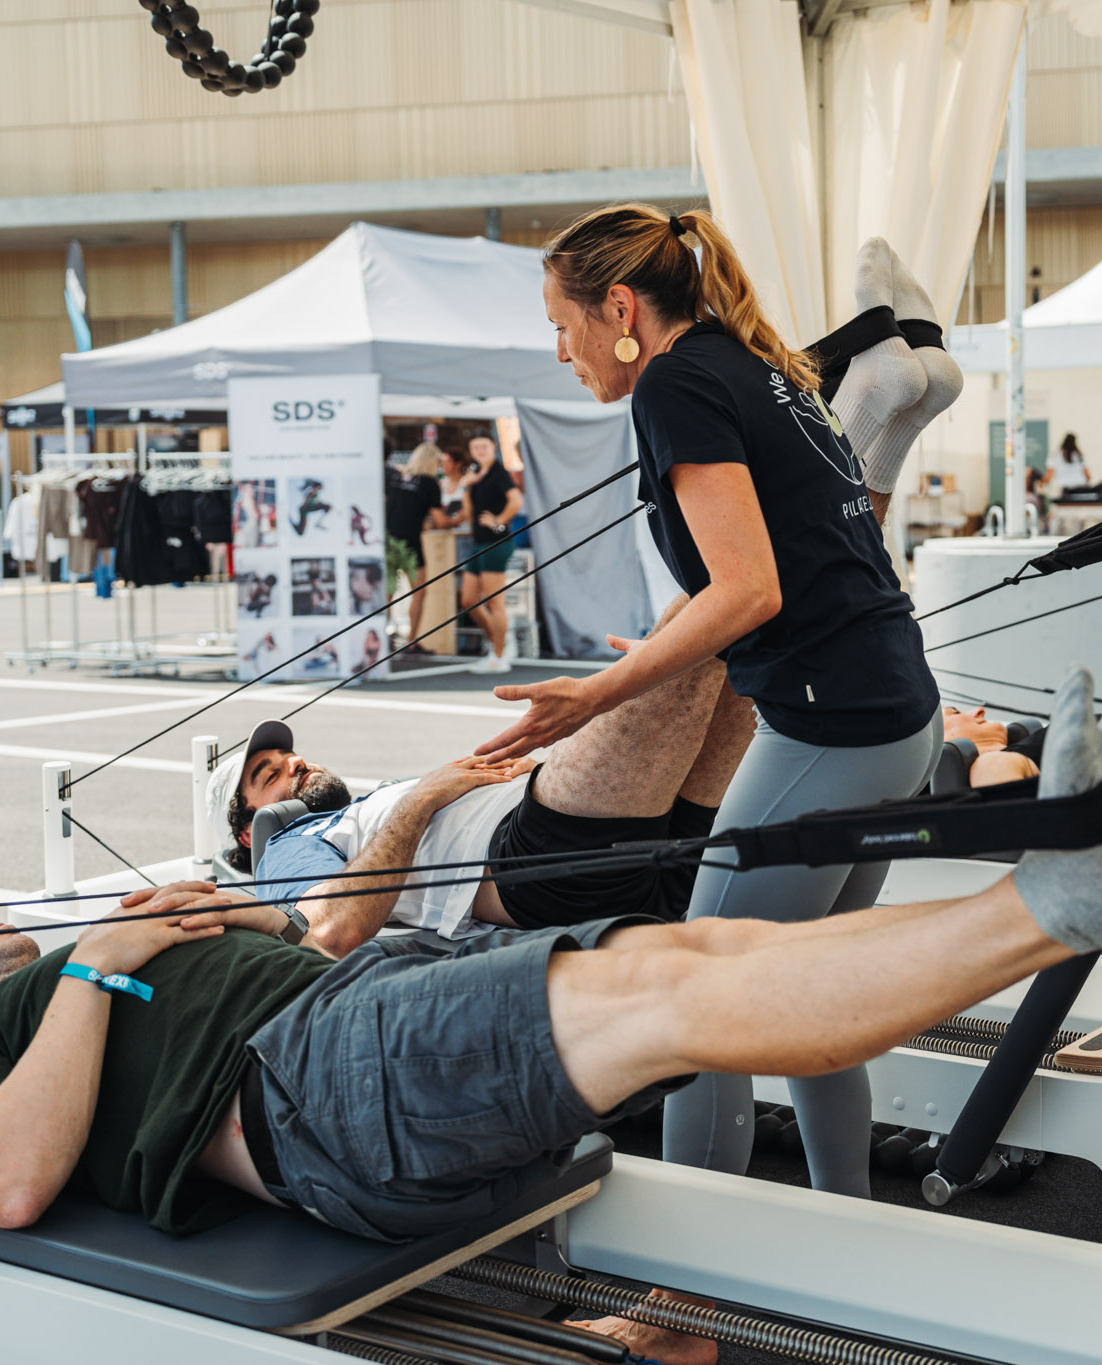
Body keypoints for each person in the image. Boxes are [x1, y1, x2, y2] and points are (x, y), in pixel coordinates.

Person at [0, 668, 1102, 1365]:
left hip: (368, 998)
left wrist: (240, 917)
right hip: (311, 1089)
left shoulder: (101, 955)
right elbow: (5, 1182)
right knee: (668, 990)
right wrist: (95, 966)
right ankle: (1060, 899)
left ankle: (1075, 867)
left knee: (697, 952)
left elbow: (317, 941)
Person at [473, 203, 944, 1199]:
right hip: (895, 712)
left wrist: (593, 696)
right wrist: (652, 654)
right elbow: (792, 555)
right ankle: (848, 1218)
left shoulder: (675, 385)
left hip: (832, 729)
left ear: (618, 310)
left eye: (561, 326)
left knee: (700, 994)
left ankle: (690, 1271)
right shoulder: (741, 358)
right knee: (810, 991)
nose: (560, 352)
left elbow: (748, 591)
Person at [211, 597, 755, 943]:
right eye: (269, 775)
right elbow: (329, 931)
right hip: (539, 861)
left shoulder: (363, 810)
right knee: (706, 607)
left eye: (289, 756)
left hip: (575, 828)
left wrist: (533, 771)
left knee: (731, 643)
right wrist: (421, 799)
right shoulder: (287, 845)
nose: (295, 762)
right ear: (248, 830)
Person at [458, 434, 522, 674]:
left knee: (495, 601)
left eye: (483, 446)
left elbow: (516, 500)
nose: (480, 450)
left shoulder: (498, 472)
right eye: (475, 447)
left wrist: (499, 521)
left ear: (493, 447)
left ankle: (499, 655)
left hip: (496, 542)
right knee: (468, 600)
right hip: (479, 542)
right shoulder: (477, 474)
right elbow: (468, 513)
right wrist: (466, 486)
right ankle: (498, 642)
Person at [385, 442, 455, 653]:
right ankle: (411, 642)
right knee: (418, 591)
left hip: (389, 540)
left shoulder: (396, 478)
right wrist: (460, 517)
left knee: (387, 593)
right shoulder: (429, 483)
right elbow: (440, 521)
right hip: (410, 542)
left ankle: (383, 639)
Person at [1051, 433, 1092, 499]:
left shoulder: (1056, 455)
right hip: (1080, 487)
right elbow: (1087, 473)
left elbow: (1050, 473)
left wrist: (1042, 483)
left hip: (1063, 488)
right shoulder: (1079, 455)